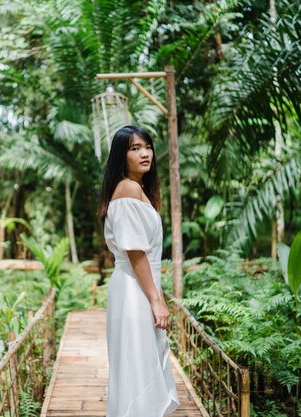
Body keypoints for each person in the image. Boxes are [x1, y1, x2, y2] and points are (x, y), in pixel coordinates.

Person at [98, 125, 180, 417]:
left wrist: (155, 296)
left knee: (139, 363)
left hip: (137, 286)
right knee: (136, 364)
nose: (145, 153)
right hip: (134, 289)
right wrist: (156, 299)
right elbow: (135, 251)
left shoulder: (138, 189)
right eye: (135, 148)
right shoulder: (128, 189)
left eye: (147, 146)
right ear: (122, 155)